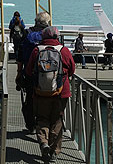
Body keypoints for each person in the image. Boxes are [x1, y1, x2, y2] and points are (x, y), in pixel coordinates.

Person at [25, 26, 75, 162]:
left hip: (40, 92)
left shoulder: (37, 50)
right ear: (57, 37)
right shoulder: (63, 51)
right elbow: (72, 69)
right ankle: (54, 151)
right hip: (60, 93)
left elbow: (29, 71)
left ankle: (43, 142)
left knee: (42, 118)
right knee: (57, 120)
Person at [16, 11, 50, 133]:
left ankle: (31, 125)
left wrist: (19, 73)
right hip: (48, 74)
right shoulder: (50, 34)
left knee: (30, 99)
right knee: (47, 100)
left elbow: (20, 55)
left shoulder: (27, 33)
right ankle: (45, 127)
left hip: (29, 73)